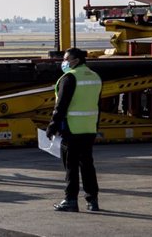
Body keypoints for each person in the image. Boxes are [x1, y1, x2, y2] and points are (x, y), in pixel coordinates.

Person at [46, 47, 102, 212]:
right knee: (87, 165)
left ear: (76, 60)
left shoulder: (69, 78)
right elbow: (97, 104)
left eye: (66, 59)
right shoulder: (95, 77)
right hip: (89, 127)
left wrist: (52, 127)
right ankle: (92, 201)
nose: (64, 62)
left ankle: (70, 200)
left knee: (71, 166)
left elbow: (61, 106)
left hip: (72, 128)